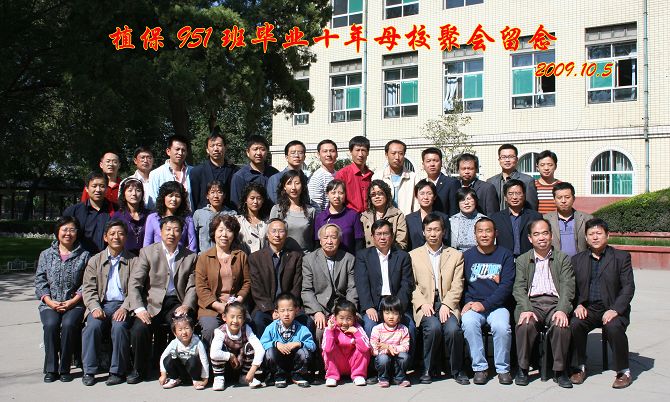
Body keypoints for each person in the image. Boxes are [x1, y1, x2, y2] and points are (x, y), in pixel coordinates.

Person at [127, 215, 198, 384]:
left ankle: (179, 371)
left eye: (176, 230)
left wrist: (186, 305)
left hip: (176, 302)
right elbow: (135, 283)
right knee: (139, 329)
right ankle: (139, 369)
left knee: (183, 326)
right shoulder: (147, 252)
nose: (172, 233)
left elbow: (193, 286)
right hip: (151, 302)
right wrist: (139, 309)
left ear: (181, 233)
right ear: (160, 231)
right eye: (168, 229)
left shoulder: (190, 256)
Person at [569, 218, 635, 389]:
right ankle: (579, 366)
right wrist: (578, 304)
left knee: (613, 327)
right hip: (588, 309)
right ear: (586, 237)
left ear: (607, 235)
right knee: (575, 324)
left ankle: (623, 371)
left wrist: (615, 309)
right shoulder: (577, 260)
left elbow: (628, 287)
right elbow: (572, 288)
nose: (595, 237)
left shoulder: (621, 257)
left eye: (599, 233)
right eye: (591, 234)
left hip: (612, 308)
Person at [513, 218, 575, 388]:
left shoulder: (563, 258)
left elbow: (568, 286)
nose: (541, 237)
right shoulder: (523, 260)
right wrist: (526, 308)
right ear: (530, 238)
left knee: (561, 325)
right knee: (525, 325)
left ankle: (560, 371)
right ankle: (523, 369)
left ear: (551, 235)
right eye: (536, 234)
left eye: (545, 233)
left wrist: (562, 309)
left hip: (555, 303)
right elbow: (518, 288)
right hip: (532, 304)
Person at [409, 213, 467, 385]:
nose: (433, 234)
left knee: (453, 330)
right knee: (433, 328)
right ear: (423, 232)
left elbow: (458, 284)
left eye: (436, 230)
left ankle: (457, 369)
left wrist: (447, 304)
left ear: (444, 232)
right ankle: (428, 368)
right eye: (429, 230)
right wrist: (422, 303)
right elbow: (411, 285)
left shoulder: (455, 255)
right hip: (425, 303)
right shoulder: (413, 255)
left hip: (447, 303)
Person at [461, 217, 515, 385]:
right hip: (473, 305)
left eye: (488, 231)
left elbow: (506, 287)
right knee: (469, 323)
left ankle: (503, 369)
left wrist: (485, 305)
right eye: (480, 231)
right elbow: (461, 284)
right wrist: (468, 301)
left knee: (502, 327)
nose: (484, 235)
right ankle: (480, 368)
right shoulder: (466, 256)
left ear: (495, 233)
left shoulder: (505, 255)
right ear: (475, 234)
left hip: (497, 306)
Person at [35, 216, 90, 383]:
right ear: (57, 232)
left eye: (72, 230)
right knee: (51, 325)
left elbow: (88, 282)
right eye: (65, 229)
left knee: (68, 325)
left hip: (75, 303)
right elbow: (40, 281)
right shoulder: (46, 255)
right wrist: (49, 301)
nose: (68, 233)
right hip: (50, 303)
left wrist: (73, 301)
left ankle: (65, 367)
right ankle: (51, 368)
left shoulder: (85, 255)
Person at [81, 219, 135, 386]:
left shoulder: (134, 261)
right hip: (100, 304)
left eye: (120, 233)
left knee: (119, 327)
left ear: (126, 237)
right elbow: (88, 288)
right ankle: (89, 371)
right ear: (105, 237)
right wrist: (94, 307)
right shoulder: (95, 260)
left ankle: (117, 371)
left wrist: (125, 308)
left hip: (123, 305)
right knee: (92, 327)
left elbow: (136, 289)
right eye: (112, 234)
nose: (116, 237)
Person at [354, 219, 415, 342]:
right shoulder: (363, 256)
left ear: (392, 236)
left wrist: (397, 307)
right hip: (374, 304)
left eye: (386, 234)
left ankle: (407, 355)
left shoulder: (403, 256)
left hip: (396, 301)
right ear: (372, 236)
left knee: (410, 328)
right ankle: (373, 355)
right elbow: (362, 283)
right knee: (369, 326)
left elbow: (406, 284)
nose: (382, 237)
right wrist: (368, 306)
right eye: (378, 234)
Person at [195, 214, 251, 346]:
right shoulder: (204, 258)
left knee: (249, 326)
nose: (224, 235)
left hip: (235, 305)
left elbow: (247, 282)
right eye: (220, 230)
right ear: (214, 233)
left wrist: (238, 300)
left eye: (229, 230)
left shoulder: (241, 256)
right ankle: (211, 358)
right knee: (210, 330)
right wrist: (219, 306)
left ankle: (240, 357)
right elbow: (201, 287)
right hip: (211, 307)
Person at [302, 223, 358, 347]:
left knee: (356, 327)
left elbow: (352, 288)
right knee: (320, 331)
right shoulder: (309, 260)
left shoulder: (349, 259)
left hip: (342, 307)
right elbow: (307, 290)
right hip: (320, 307)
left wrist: (348, 312)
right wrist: (317, 311)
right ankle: (322, 359)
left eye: (333, 237)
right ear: (320, 240)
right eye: (325, 237)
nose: (329, 241)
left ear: (339, 240)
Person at [248, 218, 305, 336]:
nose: (277, 235)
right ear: (267, 235)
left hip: (289, 307)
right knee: (258, 321)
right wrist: (271, 310)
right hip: (265, 307)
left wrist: (286, 309)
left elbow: (297, 285)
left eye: (281, 231)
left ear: (286, 234)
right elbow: (256, 288)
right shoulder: (255, 258)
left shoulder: (295, 257)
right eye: (273, 231)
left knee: (307, 322)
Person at [260, 292, 316, 388]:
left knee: (305, 353)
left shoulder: (302, 329)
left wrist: (299, 343)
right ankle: (279, 376)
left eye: (290, 310)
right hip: (278, 362)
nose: (286, 314)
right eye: (282, 310)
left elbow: (312, 346)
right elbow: (262, 343)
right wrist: (276, 344)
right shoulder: (271, 328)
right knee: (269, 352)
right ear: (277, 312)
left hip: (295, 361)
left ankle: (297, 375)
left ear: (296, 310)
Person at [210, 302, 264, 390]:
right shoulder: (220, 332)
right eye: (232, 317)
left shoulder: (246, 329)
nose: (235, 321)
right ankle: (219, 378)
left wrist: (253, 369)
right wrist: (230, 356)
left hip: (242, 364)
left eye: (239, 317)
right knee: (219, 348)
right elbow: (213, 354)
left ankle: (244, 376)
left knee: (250, 346)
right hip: (226, 366)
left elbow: (260, 349)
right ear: (224, 317)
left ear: (243, 319)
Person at [322, 299, 371, 387]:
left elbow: (366, 348)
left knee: (363, 349)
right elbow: (327, 349)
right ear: (335, 317)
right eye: (341, 318)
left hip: (353, 364)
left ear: (354, 318)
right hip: (337, 364)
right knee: (329, 349)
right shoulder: (330, 328)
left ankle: (358, 375)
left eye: (349, 319)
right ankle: (332, 376)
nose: (345, 323)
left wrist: (356, 333)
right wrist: (330, 331)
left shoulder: (357, 328)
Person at [63, 171, 115, 254]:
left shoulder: (115, 210)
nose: (98, 190)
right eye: (94, 186)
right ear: (87, 188)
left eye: (102, 186)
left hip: (108, 258)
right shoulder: (73, 212)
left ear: (106, 189)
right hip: (80, 257)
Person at [490, 179, 542, 259]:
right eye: (510, 194)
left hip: (529, 259)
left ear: (524, 196)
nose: (514, 197)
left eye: (518, 193)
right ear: (505, 197)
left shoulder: (535, 217)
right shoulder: (496, 218)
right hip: (504, 259)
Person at [190, 128, 238, 210]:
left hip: (229, 214)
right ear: (207, 150)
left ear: (225, 147)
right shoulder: (197, 172)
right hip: (204, 215)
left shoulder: (235, 171)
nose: (216, 149)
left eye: (219, 145)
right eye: (212, 146)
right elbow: (194, 199)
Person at [270, 170, 317, 253]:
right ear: (284, 187)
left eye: (297, 183)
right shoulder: (277, 209)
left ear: (302, 186)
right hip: (284, 256)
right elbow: (271, 235)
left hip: (305, 256)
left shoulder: (311, 211)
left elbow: (312, 237)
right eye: (289, 183)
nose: (293, 187)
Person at [143, 181, 197, 253]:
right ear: (163, 197)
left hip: (180, 257)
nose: (174, 199)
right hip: (157, 257)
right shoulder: (152, 218)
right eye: (170, 196)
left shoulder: (187, 219)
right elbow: (147, 245)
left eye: (177, 196)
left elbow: (192, 245)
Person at [158, 314, 209, 390]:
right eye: (180, 330)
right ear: (175, 333)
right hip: (181, 371)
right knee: (168, 358)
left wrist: (205, 380)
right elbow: (163, 357)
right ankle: (175, 379)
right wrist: (163, 374)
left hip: (193, 371)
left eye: (187, 328)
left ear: (192, 329)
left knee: (193, 360)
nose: (184, 332)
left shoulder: (198, 343)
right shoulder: (174, 343)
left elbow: (204, 361)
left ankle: (195, 380)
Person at [313, 180, 364, 254]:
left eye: (340, 193)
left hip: (349, 258)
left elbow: (359, 243)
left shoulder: (353, 215)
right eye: (333, 193)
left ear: (345, 195)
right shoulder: (320, 218)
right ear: (327, 194)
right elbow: (317, 243)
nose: (337, 196)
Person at [370, 296, 411, 387]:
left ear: (400, 315)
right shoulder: (377, 329)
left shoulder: (403, 329)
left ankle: (400, 378)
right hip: (383, 360)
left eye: (395, 313)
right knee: (383, 358)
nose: (391, 317)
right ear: (382, 314)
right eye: (387, 313)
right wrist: (387, 350)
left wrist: (391, 348)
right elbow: (373, 349)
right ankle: (383, 378)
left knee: (404, 356)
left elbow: (406, 347)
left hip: (397, 359)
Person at [544, 182, 593, 257]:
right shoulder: (545, 220)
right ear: (554, 200)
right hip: (555, 262)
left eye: (567, 197)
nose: (563, 201)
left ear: (573, 199)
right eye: (559, 198)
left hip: (580, 262)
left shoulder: (586, 219)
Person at [229, 135, 279, 210]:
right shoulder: (240, 176)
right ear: (248, 152)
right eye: (255, 149)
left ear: (267, 152)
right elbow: (236, 204)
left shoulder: (274, 174)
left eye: (262, 149)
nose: (258, 153)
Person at [372, 140, 419, 216]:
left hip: (407, 220)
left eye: (400, 153)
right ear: (386, 155)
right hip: (383, 221)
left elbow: (417, 204)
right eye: (393, 153)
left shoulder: (413, 178)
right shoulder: (378, 177)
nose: (397, 157)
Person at [487, 144, 539, 211]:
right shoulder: (491, 182)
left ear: (516, 159)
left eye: (511, 157)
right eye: (503, 157)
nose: (507, 160)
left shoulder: (527, 180)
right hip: (496, 217)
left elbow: (532, 207)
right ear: (499, 160)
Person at [147, 135, 193, 209]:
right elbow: (152, 203)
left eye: (183, 150)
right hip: (165, 216)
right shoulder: (156, 174)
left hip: (190, 215)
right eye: (177, 149)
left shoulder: (193, 172)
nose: (180, 153)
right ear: (168, 151)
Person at [360, 180, 408, 250]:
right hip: (369, 254)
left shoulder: (397, 215)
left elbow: (402, 242)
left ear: (386, 195)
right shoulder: (364, 216)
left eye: (380, 193)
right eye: (373, 194)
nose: (377, 197)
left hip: (392, 254)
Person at [192, 180, 236, 253]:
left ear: (224, 195)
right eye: (212, 192)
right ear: (207, 196)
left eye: (219, 192)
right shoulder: (199, 214)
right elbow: (193, 238)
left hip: (226, 255)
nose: (216, 196)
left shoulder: (232, 214)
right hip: (204, 256)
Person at [405, 180, 450, 250]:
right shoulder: (409, 219)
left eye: (429, 193)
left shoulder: (443, 218)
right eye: (422, 193)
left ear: (434, 197)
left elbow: (446, 242)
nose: (425, 197)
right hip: (415, 255)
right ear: (416, 196)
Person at [334, 136, 373, 213]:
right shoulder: (342, 174)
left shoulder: (372, 175)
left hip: (369, 217)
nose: (360, 154)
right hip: (349, 216)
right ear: (351, 151)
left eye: (363, 150)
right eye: (357, 150)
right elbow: (337, 199)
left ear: (368, 152)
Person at [112, 177, 149, 255]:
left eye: (138, 190)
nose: (134, 194)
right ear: (124, 194)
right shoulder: (117, 216)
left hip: (146, 258)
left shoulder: (150, 216)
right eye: (130, 190)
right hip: (124, 258)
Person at [266, 140, 309, 205]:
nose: (297, 155)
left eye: (300, 153)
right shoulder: (275, 179)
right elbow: (275, 203)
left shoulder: (306, 179)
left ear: (304, 157)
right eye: (293, 153)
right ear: (286, 157)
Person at [421, 147, 460, 216]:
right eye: (428, 161)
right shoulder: (421, 184)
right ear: (423, 165)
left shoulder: (452, 183)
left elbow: (454, 211)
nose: (432, 164)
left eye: (435, 161)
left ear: (441, 163)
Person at [236, 183, 270, 254]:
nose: (255, 202)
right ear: (245, 200)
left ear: (263, 200)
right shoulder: (238, 221)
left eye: (259, 198)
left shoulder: (268, 222)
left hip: (264, 259)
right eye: (252, 198)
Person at [450, 187, 487, 252]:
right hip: (456, 256)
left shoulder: (485, 220)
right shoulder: (451, 221)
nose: (466, 203)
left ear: (475, 201)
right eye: (462, 200)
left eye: (469, 199)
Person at [308, 139, 338, 211]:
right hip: (326, 217)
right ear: (318, 155)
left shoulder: (339, 174)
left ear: (337, 154)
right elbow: (316, 207)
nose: (328, 154)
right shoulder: (316, 177)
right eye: (325, 151)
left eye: (332, 151)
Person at [535, 150, 562, 214]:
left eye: (550, 165)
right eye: (542, 165)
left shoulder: (561, 186)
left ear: (555, 166)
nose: (546, 168)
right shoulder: (532, 186)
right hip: (537, 220)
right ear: (537, 167)